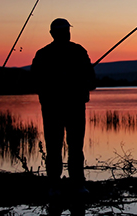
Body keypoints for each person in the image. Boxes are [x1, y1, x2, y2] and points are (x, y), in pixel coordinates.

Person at [31, 18, 96, 195]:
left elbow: (34, 82)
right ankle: (74, 185)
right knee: (69, 147)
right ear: (54, 33)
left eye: (67, 30)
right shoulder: (78, 51)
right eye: (64, 31)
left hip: (57, 108)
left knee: (59, 147)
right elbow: (92, 81)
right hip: (66, 108)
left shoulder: (43, 54)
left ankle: (57, 186)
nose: (66, 34)